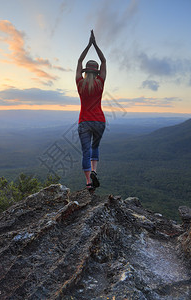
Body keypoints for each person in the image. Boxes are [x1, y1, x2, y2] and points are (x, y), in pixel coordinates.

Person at [75, 30, 106, 192]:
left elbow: (79, 60)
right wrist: (95, 44)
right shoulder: (100, 83)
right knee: (95, 148)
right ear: (97, 71)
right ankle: (94, 172)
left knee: (85, 152)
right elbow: (104, 60)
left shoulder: (80, 83)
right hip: (99, 121)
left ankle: (88, 183)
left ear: (86, 71)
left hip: (84, 121)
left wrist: (88, 45)